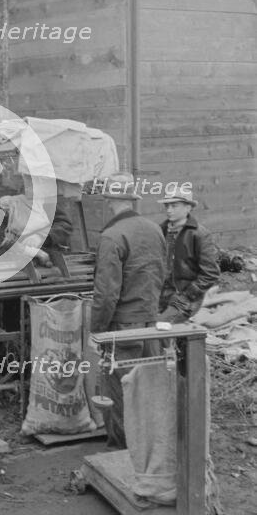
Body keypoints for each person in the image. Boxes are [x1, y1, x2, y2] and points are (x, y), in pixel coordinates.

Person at [90, 172, 166, 449]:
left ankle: (122, 451)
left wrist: (96, 330)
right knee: (150, 389)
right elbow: (162, 275)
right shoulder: (155, 229)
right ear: (132, 199)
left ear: (109, 200)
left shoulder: (111, 236)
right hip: (151, 325)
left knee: (119, 391)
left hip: (122, 330)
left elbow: (106, 293)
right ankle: (152, 448)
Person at [157, 185, 220, 323]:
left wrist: (187, 295)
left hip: (185, 297)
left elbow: (211, 273)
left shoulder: (199, 235)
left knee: (161, 325)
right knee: (141, 323)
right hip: (160, 294)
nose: (169, 210)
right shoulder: (160, 231)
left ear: (188, 207)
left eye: (174, 206)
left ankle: (176, 341)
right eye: (166, 206)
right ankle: (176, 342)